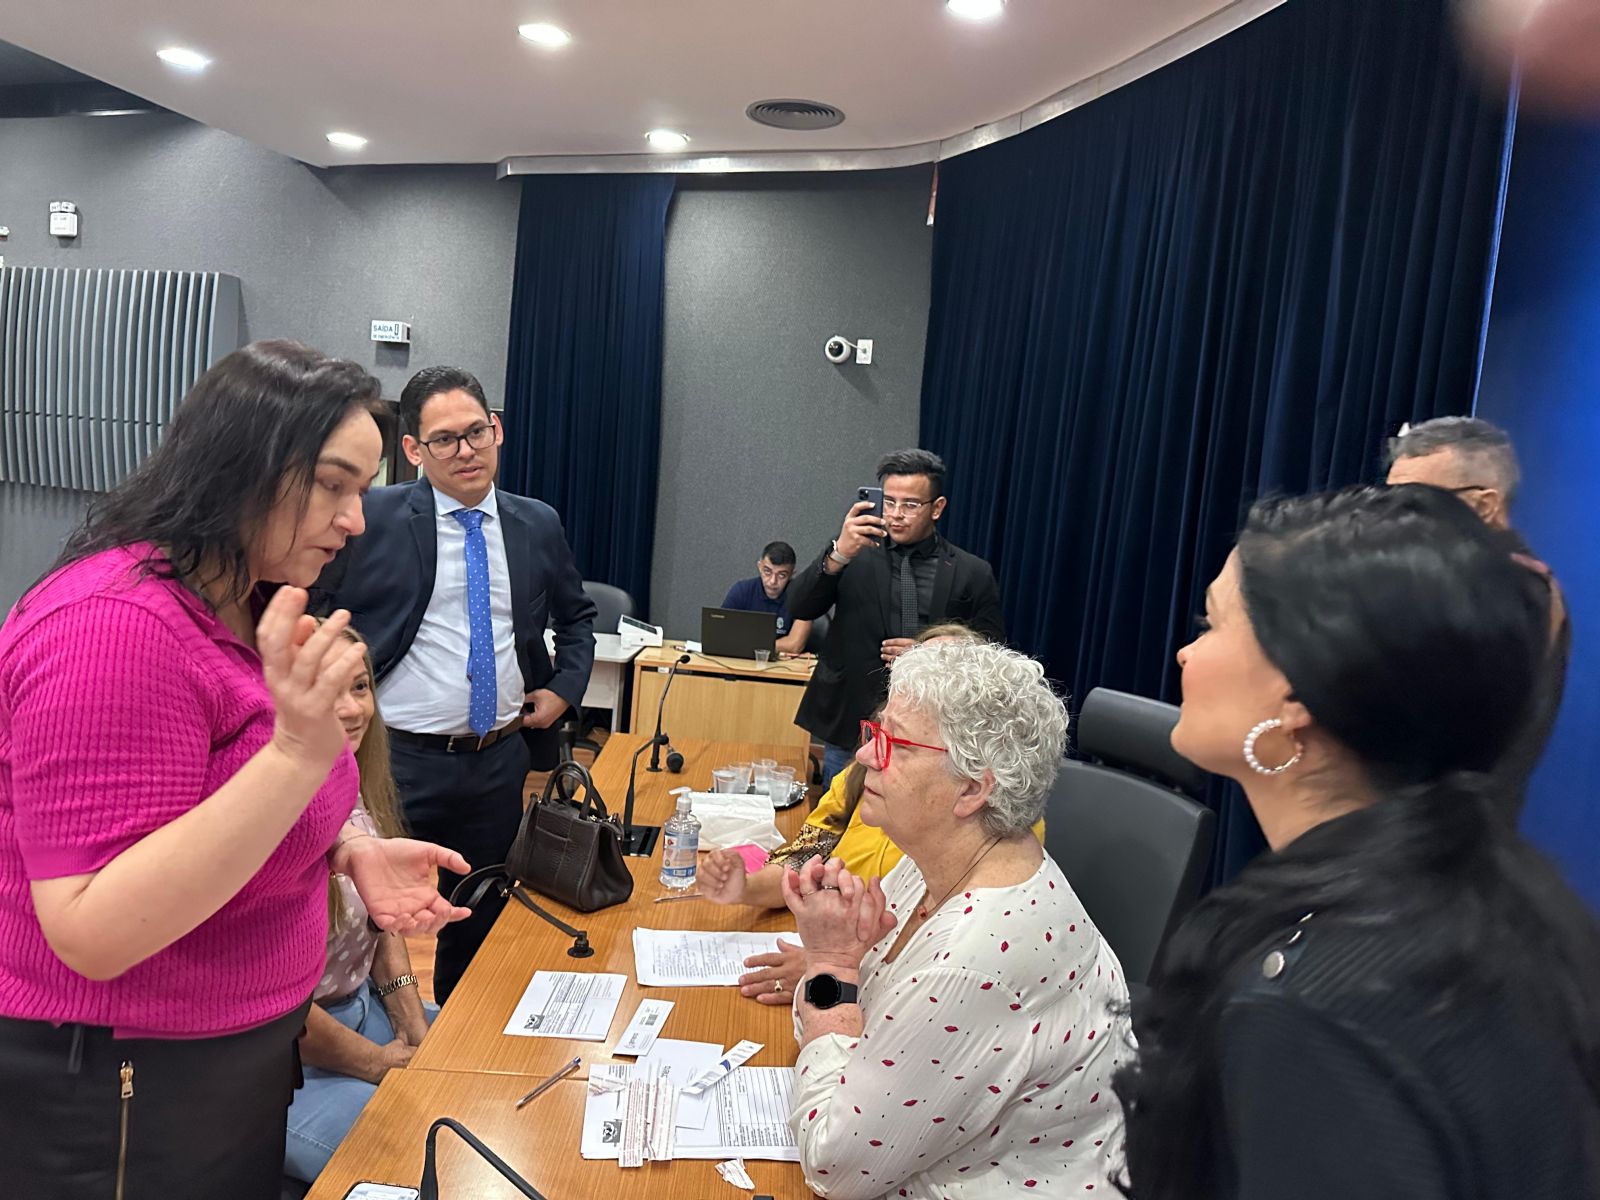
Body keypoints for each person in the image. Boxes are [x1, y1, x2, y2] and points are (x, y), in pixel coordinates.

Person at [0, 341, 468, 1200]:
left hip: (237, 1054)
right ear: (241, 467)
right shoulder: (114, 626)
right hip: (121, 1075)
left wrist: (342, 853)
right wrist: (295, 758)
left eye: (362, 490)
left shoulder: (246, 603)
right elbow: (94, 926)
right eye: (333, 486)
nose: (356, 521)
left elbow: (214, 816)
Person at [1112, 486, 1600, 1200]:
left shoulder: (1313, 1008)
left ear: (1296, 694)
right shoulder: (1479, 898)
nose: (1185, 652)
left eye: (1210, 623)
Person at [784, 639, 1130, 1198]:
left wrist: (830, 965)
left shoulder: (975, 959)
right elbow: (841, 1028)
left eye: (894, 743)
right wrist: (837, 990)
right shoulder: (938, 861)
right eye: (875, 732)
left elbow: (833, 1165)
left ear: (972, 788)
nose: (866, 755)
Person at [311, 365, 597, 1001]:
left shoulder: (536, 523)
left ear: (497, 430)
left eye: (476, 432)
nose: (466, 450)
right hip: (395, 759)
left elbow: (577, 618)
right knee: (380, 912)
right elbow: (313, 606)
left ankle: (454, 1029)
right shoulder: (371, 517)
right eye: (444, 439)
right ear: (413, 449)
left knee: (480, 908)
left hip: (496, 757)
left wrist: (564, 688)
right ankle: (390, 1025)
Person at [284, 624, 439, 1184]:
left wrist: (411, 1021)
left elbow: (380, 922)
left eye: (360, 687)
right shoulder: (273, 814)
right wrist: (379, 1063)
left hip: (360, 1012)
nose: (353, 710)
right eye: (331, 691)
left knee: (478, 1067)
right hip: (287, 1066)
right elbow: (285, 1010)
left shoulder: (353, 786)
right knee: (417, 1155)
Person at [787, 449, 1004, 784]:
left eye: (910, 504)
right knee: (841, 812)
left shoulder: (971, 572)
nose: (896, 514)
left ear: (937, 508)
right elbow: (799, 607)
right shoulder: (853, 553)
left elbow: (991, 653)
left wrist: (932, 654)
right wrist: (838, 553)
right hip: (851, 720)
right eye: (889, 502)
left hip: (930, 732)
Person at [1385, 416, 1569, 803]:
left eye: (1414, 501)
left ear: (1484, 505)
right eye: (1388, 500)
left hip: (1437, 821)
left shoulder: (1515, 589)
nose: (1392, 517)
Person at [721, 540, 812, 655]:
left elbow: (795, 645)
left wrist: (749, 646)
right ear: (759, 566)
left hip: (782, 665)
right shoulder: (741, 591)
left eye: (782, 575)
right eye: (767, 572)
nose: (773, 581)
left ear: (792, 574)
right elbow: (720, 634)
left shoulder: (802, 596)